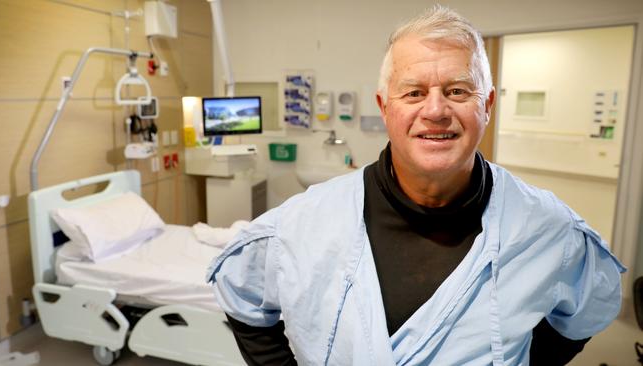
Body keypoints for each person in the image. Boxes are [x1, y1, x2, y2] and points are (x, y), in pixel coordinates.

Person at [207, 5, 625, 365]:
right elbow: (243, 298)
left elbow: (587, 311)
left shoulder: (549, 229)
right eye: (413, 92)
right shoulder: (304, 221)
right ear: (384, 107)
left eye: (458, 90)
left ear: (488, 105)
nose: (436, 110)